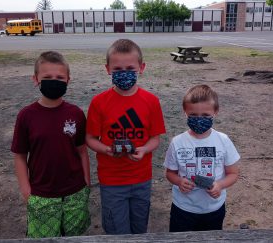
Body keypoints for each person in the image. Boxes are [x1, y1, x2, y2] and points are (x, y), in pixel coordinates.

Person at [86, 39, 166, 234]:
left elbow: (155, 138)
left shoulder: (151, 101)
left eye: (130, 68)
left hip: (141, 179)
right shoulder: (99, 102)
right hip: (112, 181)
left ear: (142, 67)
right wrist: (107, 149)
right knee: (116, 231)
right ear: (108, 69)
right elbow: (90, 138)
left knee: (139, 228)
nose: (124, 73)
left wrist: (144, 149)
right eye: (118, 68)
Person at [11, 51, 91, 238]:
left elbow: (82, 150)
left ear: (68, 80)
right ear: (36, 79)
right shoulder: (26, 115)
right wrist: (26, 190)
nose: (54, 81)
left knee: (74, 237)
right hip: (41, 195)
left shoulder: (76, 113)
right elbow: (20, 155)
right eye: (47, 77)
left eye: (59, 77)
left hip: (75, 193)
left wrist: (86, 182)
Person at [164, 84, 240, 232]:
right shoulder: (177, 142)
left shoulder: (223, 141)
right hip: (183, 208)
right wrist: (179, 181)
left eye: (205, 115)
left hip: (213, 209)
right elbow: (169, 173)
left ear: (215, 112)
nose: (199, 120)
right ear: (185, 112)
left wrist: (220, 185)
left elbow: (233, 173)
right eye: (193, 115)